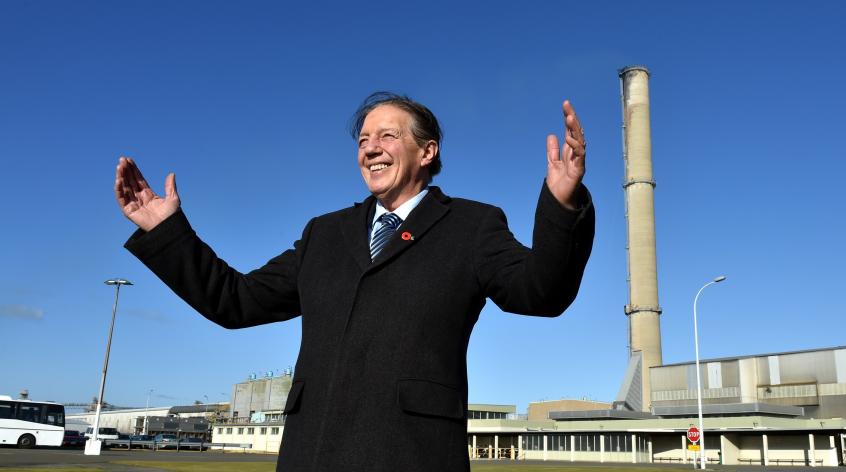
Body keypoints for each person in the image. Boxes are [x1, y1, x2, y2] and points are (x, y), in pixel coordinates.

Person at [115, 92, 594, 471]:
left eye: (387, 135)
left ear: (427, 151)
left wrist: (562, 206)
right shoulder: (324, 233)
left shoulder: (472, 226)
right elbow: (234, 301)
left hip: (413, 456)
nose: (370, 147)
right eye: (363, 139)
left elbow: (541, 293)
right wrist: (166, 231)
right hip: (312, 455)